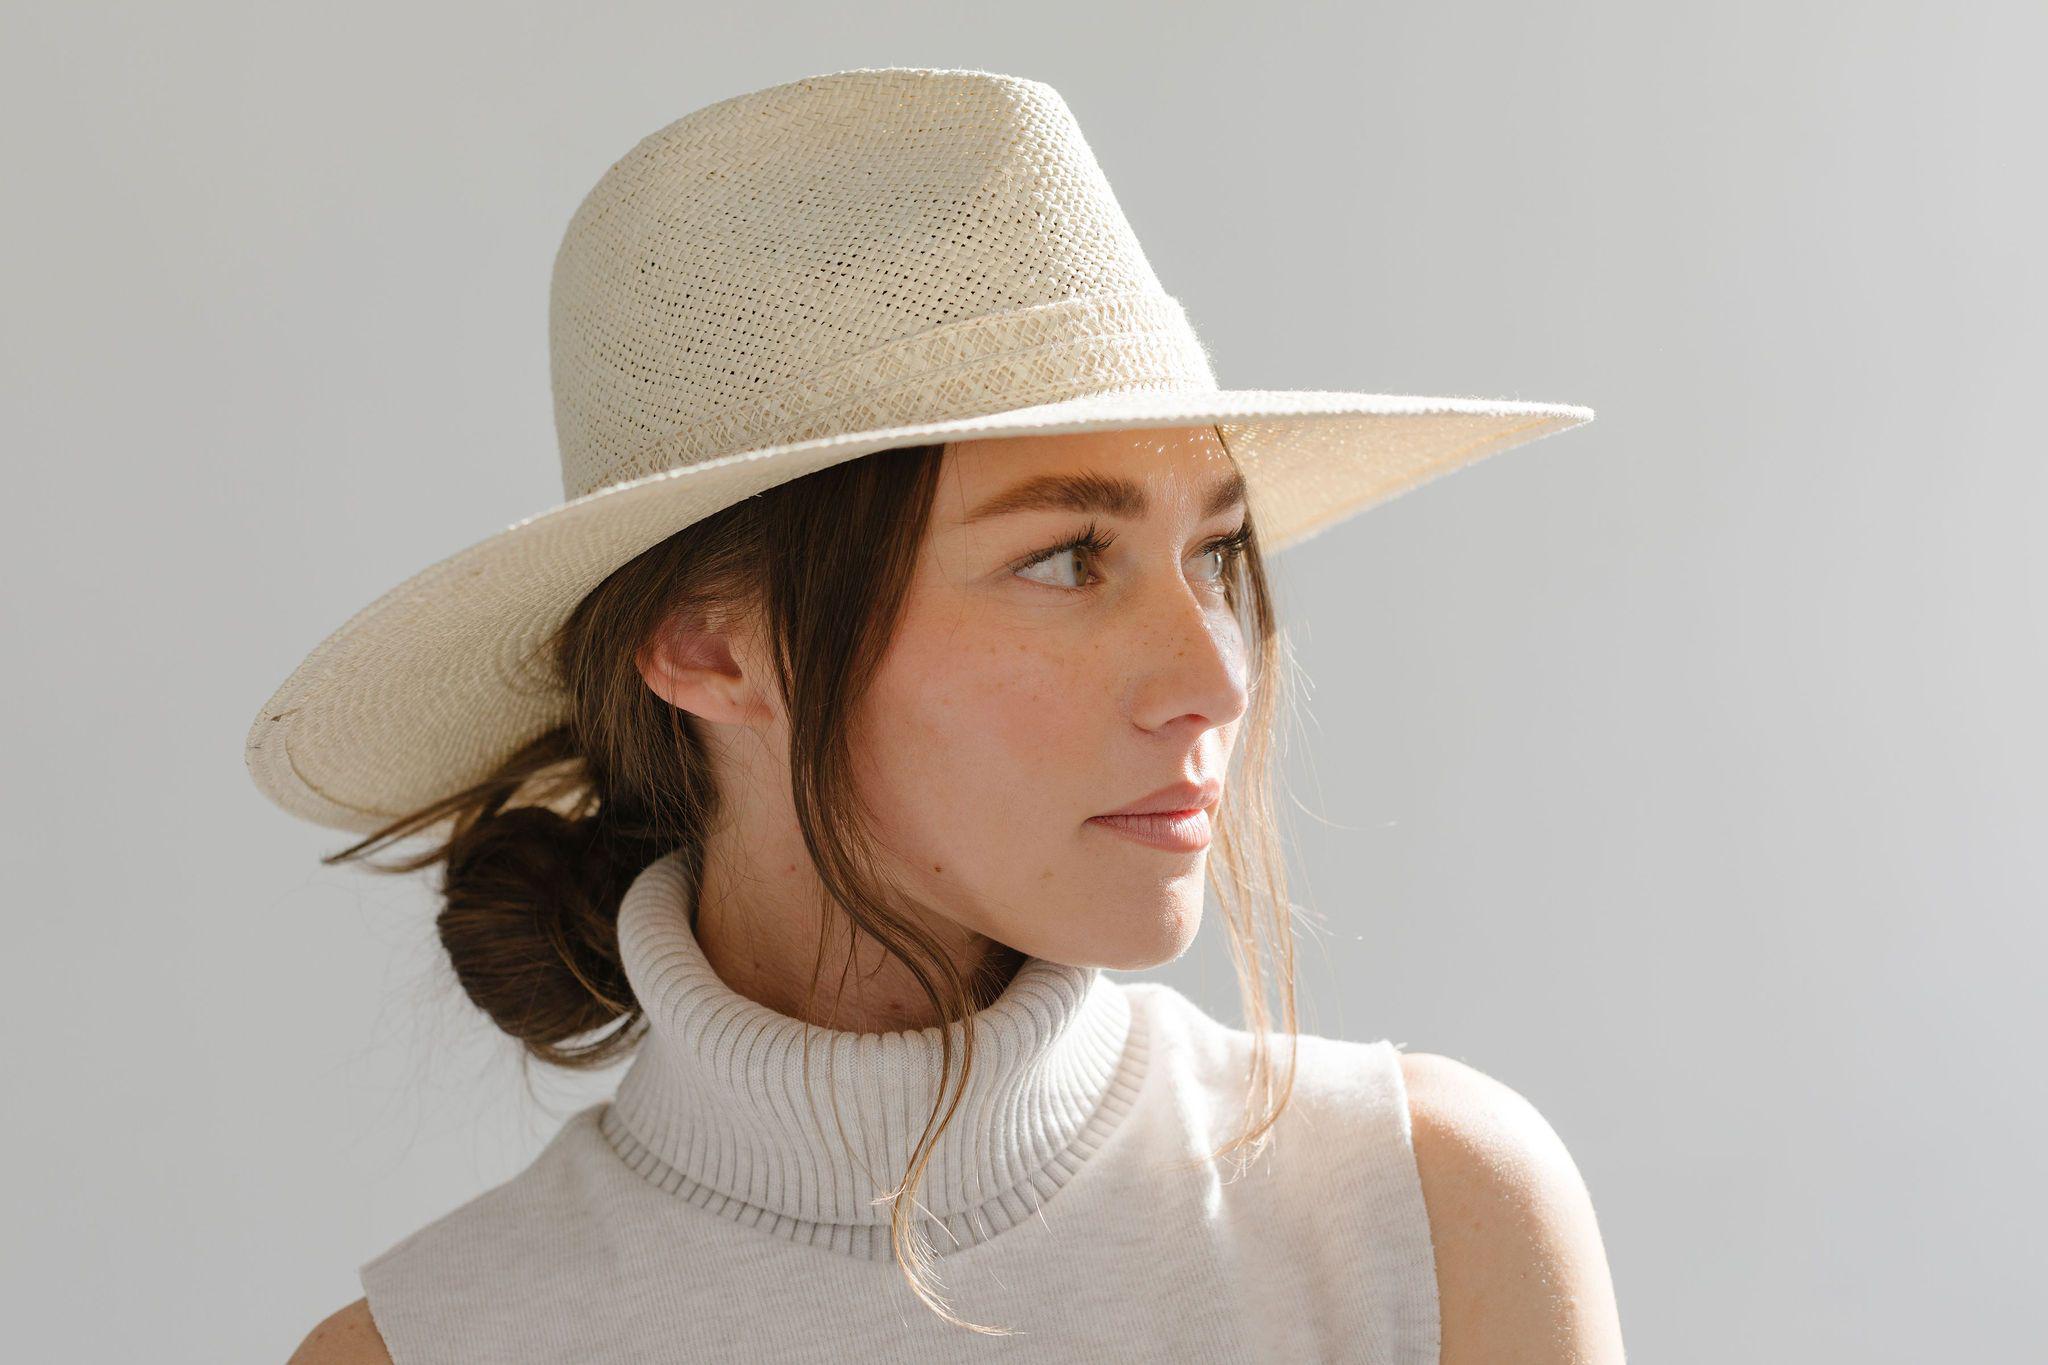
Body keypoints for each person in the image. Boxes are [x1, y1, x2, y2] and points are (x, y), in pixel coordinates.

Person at [260, 68, 1621, 1363]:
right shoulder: (438, 1346)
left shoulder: (1428, 1224)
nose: (1212, 676)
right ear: (709, 645)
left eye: (1214, 553)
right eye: (1068, 557)